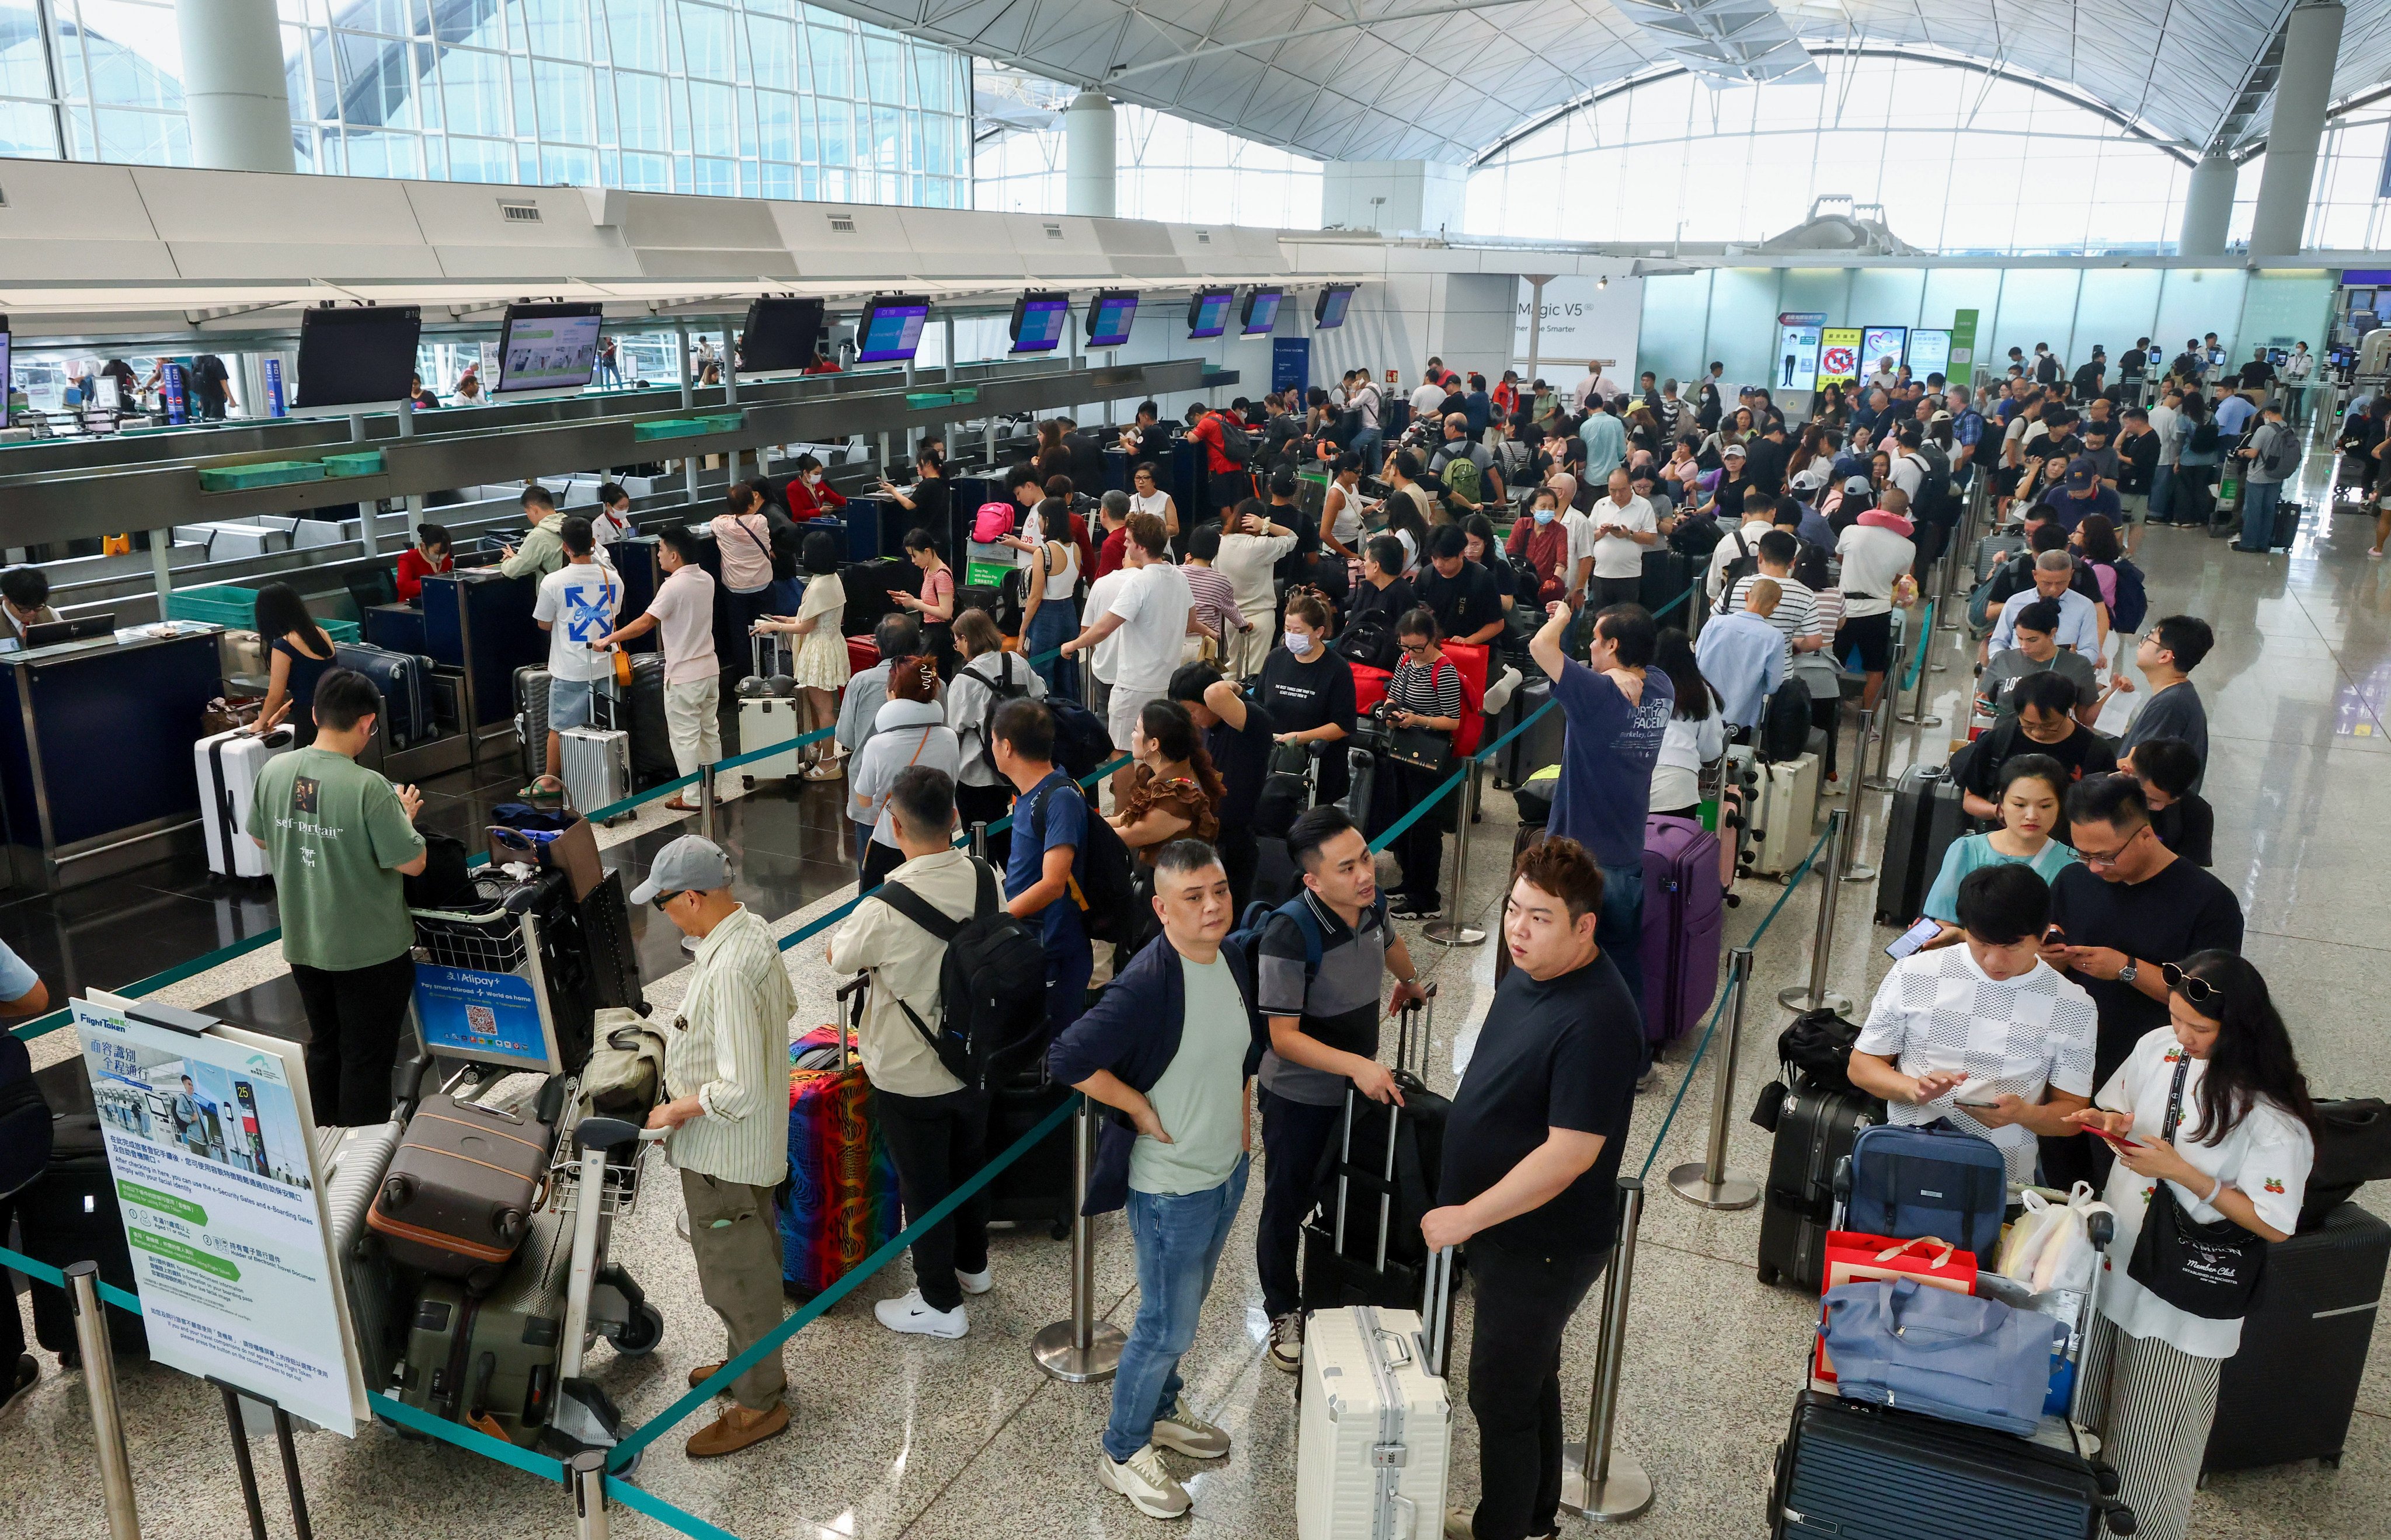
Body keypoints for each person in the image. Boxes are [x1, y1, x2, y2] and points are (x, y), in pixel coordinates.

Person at [1427, 838, 1642, 1540]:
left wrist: (1466, 1216)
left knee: (1500, 1395)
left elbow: (1569, 1156)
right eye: (1515, 909)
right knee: (1530, 1381)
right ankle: (1533, 1521)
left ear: (1584, 926)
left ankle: (1504, 1528)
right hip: (1507, 1230)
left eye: (1540, 917)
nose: (1517, 929)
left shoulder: (1599, 1019)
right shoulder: (1531, 968)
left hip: (1542, 1241)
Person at [2065, 952, 2316, 1540]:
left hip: (2183, 1299)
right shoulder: (2159, 1047)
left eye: (2198, 1029)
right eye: (2176, 1019)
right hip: (2117, 1264)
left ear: (2241, 1028)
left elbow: (2275, 1223)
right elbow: (2125, 1108)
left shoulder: (2271, 1113)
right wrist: (2109, 1123)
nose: (2183, 1036)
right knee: (2084, 1424)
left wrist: (2184, 1172)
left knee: (2151, 1451)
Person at [1046, 838, 1261, 1518]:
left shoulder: (1231, 957)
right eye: (1193, 897)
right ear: (1162, 908)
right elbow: (1067, 1056)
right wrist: (1136, 1105)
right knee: (1165, 1326)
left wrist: (1244, 1121)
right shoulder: (1147, 983)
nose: (1212, 906)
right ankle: (1121, 1448)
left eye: (1219, 890)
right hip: (1171, 1189)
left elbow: (1242, 1049)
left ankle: (1163, 1411)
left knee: (1186, 1317)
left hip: (1224, 1171)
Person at [632, 835, 796, 1458]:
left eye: (666, 903)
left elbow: (740, 1087)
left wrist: (675, 1108)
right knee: (755, 1255)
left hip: (721, 1153)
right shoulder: (750, 930)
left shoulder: (726, 968)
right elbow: (785, 1005)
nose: (664, 914)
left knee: (736, 1274)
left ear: (693, 898)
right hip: (755, 1148)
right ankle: (747, 1364)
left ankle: (758, 1403)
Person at [1252, 804, 1427, 1372]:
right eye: (1346, 867)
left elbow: (1391, 942)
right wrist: (1355, 1065)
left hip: (1357, 1088)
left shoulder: (1370, 904)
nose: (1364, 874)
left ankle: (1335, 1287)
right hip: (1299, 1098)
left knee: (1345, 1193)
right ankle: (1282, 1306)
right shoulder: (1289, 931)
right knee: (1287, 1201)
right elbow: (1282, 1038)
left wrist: (1408, 982)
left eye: (1365, 856)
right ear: (1313, 879)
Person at [823, 766, 994, 1339]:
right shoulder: (985, 875)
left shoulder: (885, 904)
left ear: (894, 827)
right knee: (969, 1169)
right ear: (953, 817)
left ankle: (940, 1303)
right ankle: (974, 1266)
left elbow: (840, 957)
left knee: (924, 1185)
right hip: (976, 1060)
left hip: (909, 1069)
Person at [2038, 775, 2246, 1189]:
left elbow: (2210, 1003)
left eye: (2106, 856)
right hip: (2068, 1067)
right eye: (2082, 854)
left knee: (2123, 1192)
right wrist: (2047, 959)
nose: (2095, 867)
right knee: (2060, 1188)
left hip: (2152, 1079)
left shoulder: (2208, 903)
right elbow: (2048, 966)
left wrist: (2125, 969)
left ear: (2145, 834)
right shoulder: (2073, 881)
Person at [246, 668, 427, 1126]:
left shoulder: (275, 770)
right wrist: (403, 817)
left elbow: (263, 840)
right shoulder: (369, 787)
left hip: (305, 943)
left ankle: (322, 1144)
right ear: (368, 723)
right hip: (370, 952)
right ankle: (359, 1170)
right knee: (365, 1057)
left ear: (314, 714)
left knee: (325, 1046)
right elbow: (412, 862)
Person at [1850, 863, 2097, 1183]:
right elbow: (1861, 1065)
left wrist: (2024, 1114)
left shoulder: (2073, 1005)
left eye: (2012, 947)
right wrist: (1913, 1088)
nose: (1994, 962)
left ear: (2044, 934)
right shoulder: (1915, 973)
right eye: (1981, 944)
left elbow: (2072, 1116)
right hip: (1905, 1164)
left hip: (2000, 1183)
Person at [1527, 600, 1669, 1035]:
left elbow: (1539, 646)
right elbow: (1631, 674)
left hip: (1579, 858)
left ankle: (1563, 1045)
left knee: (1563, 960)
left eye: (1595, 638)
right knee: (1622, 961)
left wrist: (1562, 618)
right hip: (1627, 852)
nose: (1589, 645)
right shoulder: (1662, 687)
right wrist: (1614, 672)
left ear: (1612, 643)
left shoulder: (1594, 694)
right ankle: (1635, 1058)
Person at [592, 524, 717, 811]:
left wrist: (610, 638)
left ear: (674, 555)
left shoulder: (672, 586)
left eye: (661, 550)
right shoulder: (706, 579)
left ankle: (693, 797)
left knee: (685, 738)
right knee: (710, 732)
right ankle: (714, 789)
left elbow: (646, 622)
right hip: (710, 669)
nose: (658, 555)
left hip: (684, 675)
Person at [993, 699, 1096, 1047]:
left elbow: (1053, 884)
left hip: (1053, 948)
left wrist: (997, 920)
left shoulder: (1060, 797)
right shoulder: (1029, 794)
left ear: (1006, 746)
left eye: (993, 741)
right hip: (1031, 941)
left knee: (1054, 1048)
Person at [1059, 512, 1198, 768]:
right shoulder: (1180, 576)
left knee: (1120, 755)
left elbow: (1104, 628)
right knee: (1154, 754)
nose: (1124, 544)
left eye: (1129, 540)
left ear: (1141, 546)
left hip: (1134, 683)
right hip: (1164, 680)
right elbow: (1191, 621)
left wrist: (1072, 645)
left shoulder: (1140, 582)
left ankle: (1125, 807)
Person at [1918, 755, 2080, 943]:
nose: (2032, 816)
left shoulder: (2071, 864)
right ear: (2001, 803)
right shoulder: (1966, 850)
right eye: (2019, 805)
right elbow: (1945, 925)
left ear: (2061, 805)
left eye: (2045, 806)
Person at [1379, 609, 1467, 920]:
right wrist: (1390, 711)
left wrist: (1417, 719)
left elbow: (1452, 721)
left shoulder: (1443, 670)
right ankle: (1409, 881)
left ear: (1433, 639)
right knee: (1403, 816)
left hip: (1430, 754)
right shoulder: (1406, 661)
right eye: (1405, 647)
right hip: (1403, 745)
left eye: (1418, 647)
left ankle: (1426, 896)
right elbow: (1394, 693)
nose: (1412, 653)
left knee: (1425, 827)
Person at [527, 516, 622, 800]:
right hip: (606, 664)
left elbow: (543, 623)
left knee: (559, 727)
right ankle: (610, 776)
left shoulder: (553, 582)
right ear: (593, 544)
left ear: (565, 548)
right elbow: (613, 615)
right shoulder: (613, 578)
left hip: (570, 666)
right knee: (608, 724)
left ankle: (550, 782)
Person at [1170, 664, 1276, 911]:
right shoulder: (1207, 729)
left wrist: (1235, 687)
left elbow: (1215, 693)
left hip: (1236, 841)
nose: (1191, 719)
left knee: (1229, 915)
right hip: (1209, 837)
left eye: (1193, 711)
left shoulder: (1250, 721)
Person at [849, 654, 959, 887]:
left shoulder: (878, 744)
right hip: (937, 838)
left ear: (893, 692)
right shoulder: (949, 738)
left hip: (891, 840)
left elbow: (864, 800)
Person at [1955, 671, 2118, 821]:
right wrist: (1999, 812)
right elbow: (1970, 800)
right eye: (2028, 724)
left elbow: (2108, 811)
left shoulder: (2096, 752)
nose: (2038, 733)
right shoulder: (1999, 741)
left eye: (2049, 725)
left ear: (2070, 708)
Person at [756, 530, 852, 781]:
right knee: (820, 706)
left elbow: (806, 627)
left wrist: (775, 627)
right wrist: (787, 619)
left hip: (818, 648)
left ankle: (829, 762)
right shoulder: (832, 579)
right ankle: (818, 750)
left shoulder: (820, 585)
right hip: (828, 643)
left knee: (823, 709)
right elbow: (814, 619)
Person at [946, 608, 1046, 842]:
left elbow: (953, 728)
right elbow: (1040, 693)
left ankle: (990, 874)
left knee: (980, 837)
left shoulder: (964, 681)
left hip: (976, 773)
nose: (957, 647)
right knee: (1003, 823)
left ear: (967, 639)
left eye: (957, 642)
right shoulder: (1016, 661)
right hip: (1013, 764)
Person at [1257, 593, 1355, 809]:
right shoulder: (1276, 658)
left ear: (1319, 632)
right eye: (1287, 629)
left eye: (1298, 631)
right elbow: (1260, 703)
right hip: (1274, 761)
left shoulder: (1337, 670)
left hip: (1317, 765)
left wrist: (1298, 738)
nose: (1291, 636)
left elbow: (1343, 726)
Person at [1833, 497, 1915, 712]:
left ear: (1878, 505)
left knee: (1832, 666)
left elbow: (1839, 558)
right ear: (1905, 513)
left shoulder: (1851, 531)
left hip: (1845, 610)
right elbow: (1896, 581)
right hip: (1878, 612)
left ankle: (1829, 713)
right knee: (1875, 671)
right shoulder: (1908, 547)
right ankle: (1868, 724)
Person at [2114, 615, 2212, 789]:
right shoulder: (2176, 696)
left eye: (2149, 637)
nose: (2141, 643)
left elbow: (2136, 769)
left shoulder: (2171, 705)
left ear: (2165, 657)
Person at [1975, 599, 2104, 730]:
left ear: (2052, 633)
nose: (2024, 646)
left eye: (2032, 640)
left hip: (2053, 740)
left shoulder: (2078, 666)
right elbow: (1983, 698)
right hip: (2007, 738)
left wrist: (2114, 693)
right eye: (2020, 638)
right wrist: (1981, 705)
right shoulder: (2003, 659)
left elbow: (2086, 718)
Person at [1214, 500, 1299, 677]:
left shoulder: (1221, 543)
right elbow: (1292, 538)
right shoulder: (1260, 546)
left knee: (1231, 670)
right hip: (1260, 617)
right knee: (1252, 676)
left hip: (1232, 618)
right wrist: (1266, 525)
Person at [1647, 628, 1724, 821]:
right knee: (1674, 848)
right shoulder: (1700, 691)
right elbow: (1711, 750)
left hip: (1636, 780)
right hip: (1680, 789)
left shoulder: (1639, 685)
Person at [1692, 577, 1787, 734]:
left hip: (1703, 710)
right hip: (1740, 720)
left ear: (1746, 596)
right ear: (1775, 605)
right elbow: (1773, 686)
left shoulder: (1714, 624)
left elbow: (1696, 664)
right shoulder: (1774, 637)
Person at [252, 581, 339, 748]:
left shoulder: (283, 646)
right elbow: (315, 684)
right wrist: (281, 713)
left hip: (311, 722)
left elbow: (275, 696)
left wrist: (260, 722)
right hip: (338, 715)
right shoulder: (321, 633)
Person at [1017, 502, 1083, 701]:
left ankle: (1044, 723)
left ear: (1048, 520)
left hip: (1046, 618)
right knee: (1068, 673)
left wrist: (1022, 631)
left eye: (1040, 518)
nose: (1038, 522)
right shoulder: (1075, 548)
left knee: (1041, 675)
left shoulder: (1043, 552)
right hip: (1069, 614)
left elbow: (1035, 597)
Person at [1570, 468, 1658, 615]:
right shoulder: (1601, 504)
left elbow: (1652, 538)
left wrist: (1628, 534)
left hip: (1629, 575)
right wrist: (1602, 532)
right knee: (1602, 617)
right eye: (1613, 490)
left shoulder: (1643, 505)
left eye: (1622, 490)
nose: (1618, 495)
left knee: (1626, 620)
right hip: (1601, 574)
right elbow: (1588, 536)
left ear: (1631, 485)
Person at [1989, 551, 2101, 657]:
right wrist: (2005, 661)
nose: (2054, 589)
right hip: (2018, 670)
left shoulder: (2085, 606)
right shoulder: (2015, 602)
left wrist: (2073, 658)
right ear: (2035, 575)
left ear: (2071, 574)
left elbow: (2091, 651)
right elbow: (1997, 642)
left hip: (2063, 673)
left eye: (2061, 582)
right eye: (2047, 583)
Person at [2124, 738, 2214, 867]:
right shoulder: (2110, 794)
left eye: (2154, 801)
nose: (2157, 807)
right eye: (2148, 799)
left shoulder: (2197, 812)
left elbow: (2189, 871)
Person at [1416, 523, 1505, 646]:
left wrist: (1468, 641)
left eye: (1446, 559)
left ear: (1461, 553)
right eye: (1434, 558)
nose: (1439, 564)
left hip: (1472, 651)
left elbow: (1497, 624)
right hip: (1436, 649)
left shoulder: (1481, 578)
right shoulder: (1426, 576)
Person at [711, 482, 780, 635]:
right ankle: (765, 658)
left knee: (739, 632)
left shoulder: (722, 525)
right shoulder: (761, 521)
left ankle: (743, 659)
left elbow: (715, 522)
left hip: (735, 587)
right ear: (750, 505)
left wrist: (730, 517)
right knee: (765, 629)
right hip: (762, 584)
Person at [876, 444, 949, 541]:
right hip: (941, 535)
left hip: (929, 536)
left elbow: (909, 505)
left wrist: (893, 491)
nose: (917, 466)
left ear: (928, 463)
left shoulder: (928, 484)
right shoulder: (942, 480)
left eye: (919, 463)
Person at [497, 483, 570, 580]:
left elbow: (512, 571)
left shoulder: (539, 535)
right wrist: (518, 558)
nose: (528, 517)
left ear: (534, 509)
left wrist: (508, 560)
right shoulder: (573, 525)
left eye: (527, 512)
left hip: (552, 594)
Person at [393, 524, 452, 604]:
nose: (441, 556)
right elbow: (403, 586)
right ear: (424, 546)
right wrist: (431, 583)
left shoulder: (446, 558)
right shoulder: (407, 559)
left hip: (440, 601)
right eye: (437, 552)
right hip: (411, 605)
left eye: (445, 552)